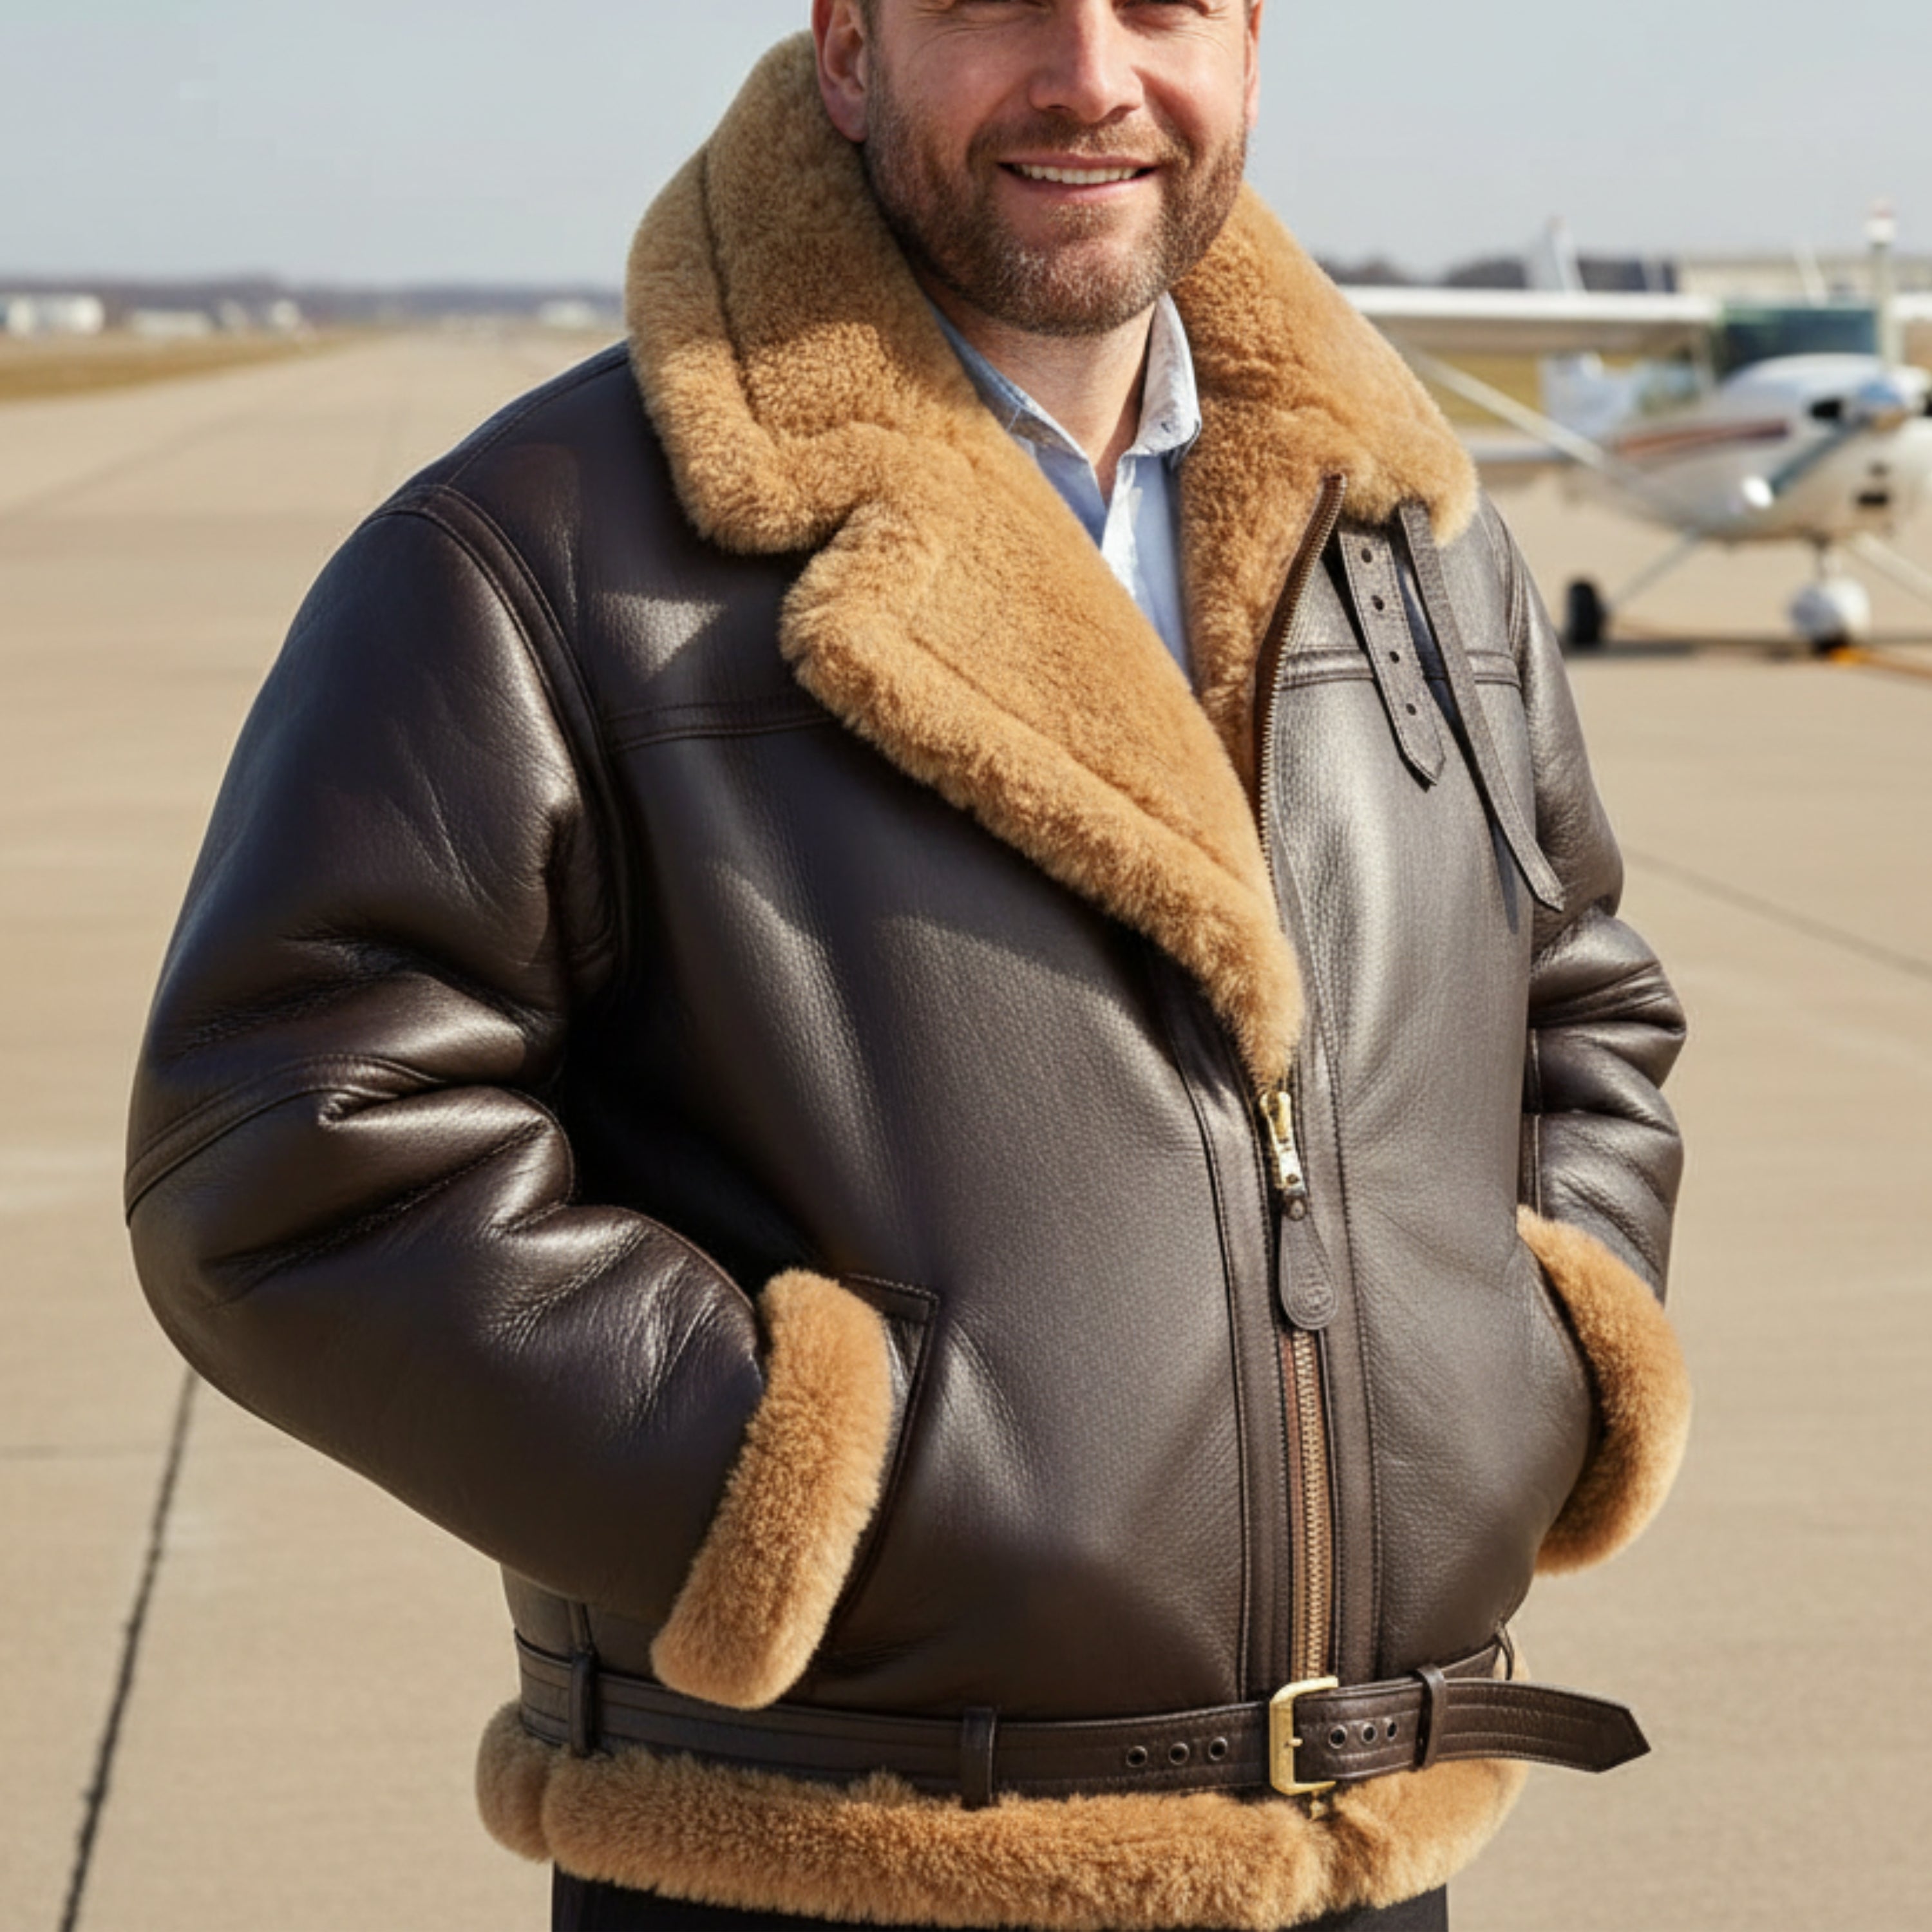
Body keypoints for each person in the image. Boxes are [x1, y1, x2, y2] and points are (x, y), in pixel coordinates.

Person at [126, 4, 1692, 1929]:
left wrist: (1545, 1347)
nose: (1094, 75)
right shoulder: (526, 548)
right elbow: (286, 1156)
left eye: (1167, 11)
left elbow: (1578, 996)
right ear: (853, 50)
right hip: (827, 1863)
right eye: (1000, 7)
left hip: (1370, 1851)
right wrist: (790, 1491)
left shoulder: (1412, 536)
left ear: (1254, 49)